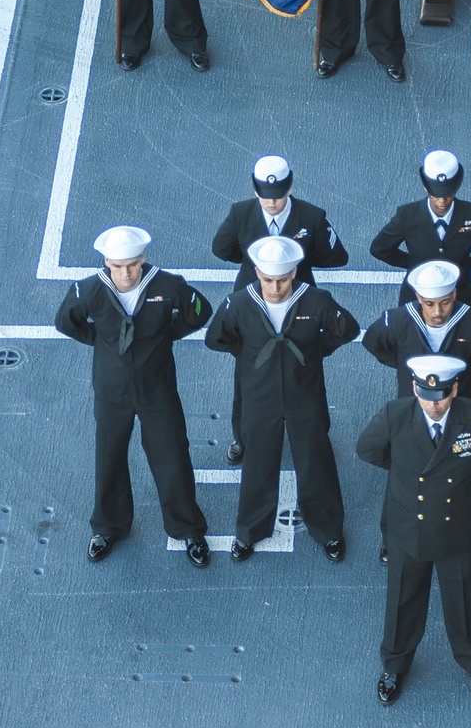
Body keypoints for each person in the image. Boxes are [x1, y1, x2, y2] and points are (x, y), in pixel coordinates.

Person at [356, 354, 471, 707]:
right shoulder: (394, 415)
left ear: (455, 389)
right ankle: (394, 666)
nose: (434, 406)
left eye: (442, 396)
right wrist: (403, 470)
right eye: (427, 396)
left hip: (459, 530)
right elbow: (367, 449)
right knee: (402, 603)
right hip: (409, 529)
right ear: (416, 389)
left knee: (466, 603)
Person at [54, 225, 212, 567]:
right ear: (106, 262)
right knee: (108, 458)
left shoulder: (169, 286)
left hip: (158, 390)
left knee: (172, 457)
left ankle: (187, 528)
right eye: (117, 266)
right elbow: (67, 322)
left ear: (143, 259)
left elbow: (199, 311)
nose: (125, 273)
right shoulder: (88, 290)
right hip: (112, 392)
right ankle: (108, 527)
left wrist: (167, 335)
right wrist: (103, 340)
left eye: (132, 264)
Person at [204, 236, 358, 562]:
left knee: (316, 465)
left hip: (305, 396)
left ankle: (329, 531)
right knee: (257, 467)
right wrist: (249, 356)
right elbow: (215, 338)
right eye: (269, 279)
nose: (275, 288)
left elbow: (347, 329)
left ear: (294, 274)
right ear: (257, 273)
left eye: (283, 279)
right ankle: (249, 532)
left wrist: (316, 353)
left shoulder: (316, 301)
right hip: (260, 400)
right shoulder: (239, 304)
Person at [362, 260, 471, 568]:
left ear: (455, 295)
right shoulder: (395, 321)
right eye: (429, 303)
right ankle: (392, 539)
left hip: (462, 415)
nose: (436, 311)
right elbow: (373, 342)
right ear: (417, 298)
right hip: (412, 412)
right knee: (402, 482)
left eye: (444, 303)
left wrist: (468, 371)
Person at [211, 154, 348, 464]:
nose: (272, 202)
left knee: (307, 371)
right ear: (255, 189)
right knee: (247, 374)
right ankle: (243, 437)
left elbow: (336, 255)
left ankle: (315, 431)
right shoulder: (241, 213)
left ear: (289, 186)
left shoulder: (312, 217)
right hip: (255, 304)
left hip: (298, 301)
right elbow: (221, 248)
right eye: (265, 195)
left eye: (278, 195)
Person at [369, 149, 471, 308]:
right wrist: (415, 264)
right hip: (417, 299)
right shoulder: (407, 215)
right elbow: (379, 248)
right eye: (435, 195)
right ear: (426, 189)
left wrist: (466, 264)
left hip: (461, 299)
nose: (442, 202)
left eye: (447, 195)